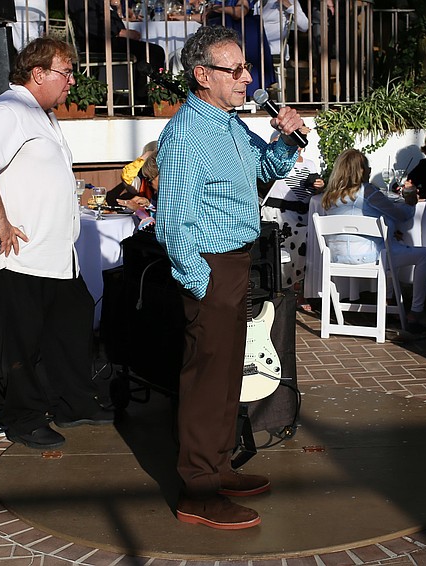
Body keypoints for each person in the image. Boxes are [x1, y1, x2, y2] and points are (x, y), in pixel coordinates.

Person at [155, 25, 306, 530]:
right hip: (212, 267)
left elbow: (262, 173)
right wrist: (201, 282)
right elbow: (173, 221)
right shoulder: (185, 134)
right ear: (202, 75)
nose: (247, 78)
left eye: (246, 69)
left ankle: (217, 468)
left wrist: (286, 140)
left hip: (236, 262)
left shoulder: (230, 126)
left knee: (225, 379)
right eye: (235, 70)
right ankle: (197, 489)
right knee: (206, 381)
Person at [0, 37, 113, 450]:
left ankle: (73, 403)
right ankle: (24, 419)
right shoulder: (9, 110)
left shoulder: (42, 116)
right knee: (21, 344)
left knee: (71, 329)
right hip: (17, 257)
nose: (71, 81)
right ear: (38, 73)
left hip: (56, 258)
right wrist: (0, 221)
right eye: (65, 72)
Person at [321, 148, 426, 332]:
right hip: (371, 257)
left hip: (336, 258)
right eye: (367, 167)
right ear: (360, 170)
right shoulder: (367, 192)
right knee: (424, 254)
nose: (369, 170)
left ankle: (388, 301)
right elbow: (401, 215)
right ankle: (416, 311)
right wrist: (410, 200)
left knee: (390, 244)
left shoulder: (329, 196)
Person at [260, 133, 324, 310]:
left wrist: (318, 186)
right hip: (279, 215)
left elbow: (314, 193)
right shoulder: (276, 164)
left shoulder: (309, 164)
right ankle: (280, 291)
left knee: (303, 255)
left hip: (302, 216)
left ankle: (299, 293)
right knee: (281, 254)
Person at [67, 0, 167, 105]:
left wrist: (118, 8)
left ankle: (142, 97)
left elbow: (108, 18)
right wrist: (119, 32)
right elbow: (87, 20)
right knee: (154, 52)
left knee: (152, 51)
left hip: (107, 39)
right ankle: (143, 99)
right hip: (96, 42)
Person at [207, 0, 275, 96]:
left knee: (242, 65)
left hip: (242, 31)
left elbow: (240, 12)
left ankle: (247, 94)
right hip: (222, 31)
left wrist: (218, 9)